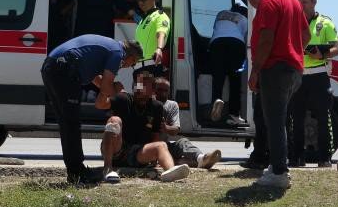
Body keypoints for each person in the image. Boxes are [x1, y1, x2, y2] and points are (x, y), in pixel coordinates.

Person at [41, 34, 142, 183]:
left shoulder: (108, 48)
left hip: (51, 67)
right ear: (130, 56)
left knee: (66, 122)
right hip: (65, 69)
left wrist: (112, 89)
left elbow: (97, 80)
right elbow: (107, 87)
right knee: (72, 123)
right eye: (133, 63)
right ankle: (77, 172)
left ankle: (75, 171)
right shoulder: (117, 53)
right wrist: (117, 90)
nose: (129, 66)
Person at [248, 0, 310, 188]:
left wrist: (255, 70)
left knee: (274, 122)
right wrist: (293, 50)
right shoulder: (291, 0)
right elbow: (306, 34)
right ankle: (277, 166)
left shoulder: (269, 2)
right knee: (279, 120)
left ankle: (279, 173)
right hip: (293, 69)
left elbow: (266, 38)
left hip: (275, 69)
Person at [97, 71, 190, 183]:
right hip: (117, 149)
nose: (140, 89)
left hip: (137, 153)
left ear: (152, 91)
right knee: (114, 121)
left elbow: (155, 135)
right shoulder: (124, 99)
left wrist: (153, 158)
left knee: (161, 145)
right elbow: (100, 105)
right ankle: (107, 168)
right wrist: (104, 90)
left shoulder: (156, 107)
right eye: (139, 84)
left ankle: (170, 172)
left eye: (145, 86)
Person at [288, 0, 338, 168]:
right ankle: (296, 157)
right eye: (298, 2)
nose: (301, 6)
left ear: (314, 2)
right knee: (297, 117)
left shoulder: (325, 23)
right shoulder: (292, 22)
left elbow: (336, 49)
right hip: (299, 76)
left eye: (305, 2)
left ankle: (325, 158)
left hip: (319, 75)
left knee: (324, 117)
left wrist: (322, 54)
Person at [154, 77, 222, 169]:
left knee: (183, 142)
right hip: (148, 146)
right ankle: (168, 161)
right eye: (160, 90)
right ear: (153, 90)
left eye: (165, 90)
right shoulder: (148, 103)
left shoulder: (171, 105)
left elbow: (176, 130)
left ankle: (202, 159)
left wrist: (165, 128)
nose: (163, 93)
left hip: (163, 146)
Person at [239, 0, 270, 170]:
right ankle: (259, 155)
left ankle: (265, 157)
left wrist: (255, 72)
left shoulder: (267, 11)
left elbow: (265, 44)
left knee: (266, 118)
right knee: (260, 117)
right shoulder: (259, 14)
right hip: (264, 71)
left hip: (268, 72)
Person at [209, 4, 248, 125]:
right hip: (236, 44)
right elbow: (244, 36)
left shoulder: (221, 14)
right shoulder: (244, 19)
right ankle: (234, 114)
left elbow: (215, 28)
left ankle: (216, 101)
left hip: (216, 43)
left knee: (218, 77)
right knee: (234, 80)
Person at [134, 0, 170, 78]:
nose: (141, 2)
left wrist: (159, 48)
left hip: (151, 69)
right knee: (138, 93)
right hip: (139, 70)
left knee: (150, 93)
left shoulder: (160, 15)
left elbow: (161, 33)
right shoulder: (142, 20)